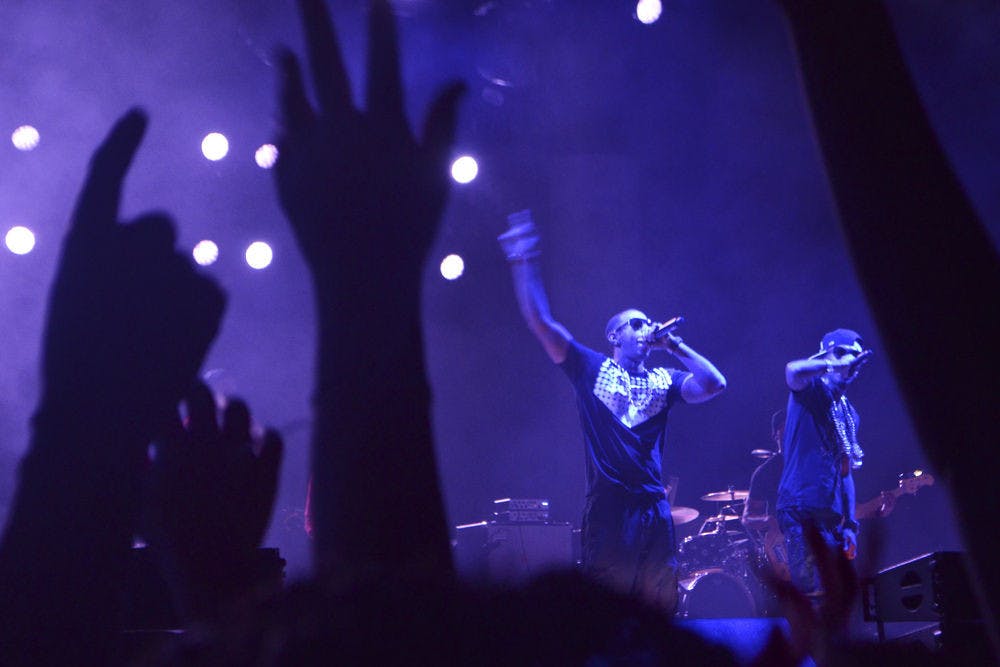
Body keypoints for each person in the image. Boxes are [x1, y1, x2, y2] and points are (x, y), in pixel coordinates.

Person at [498, 211, 726, 612]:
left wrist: (672, 345)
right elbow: (541, 322)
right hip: (611, 507)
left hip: (654, 506)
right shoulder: (592, 368)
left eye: (646, 325)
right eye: (634, 325)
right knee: (611, 606)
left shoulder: (664, 379)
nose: (644, 330)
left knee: (660, 603)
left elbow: (713, 384)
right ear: (614, 336)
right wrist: (524, 260)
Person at [776, 328, 871, 599]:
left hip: (830, 518)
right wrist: (833, 363)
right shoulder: (811, 390)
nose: (849, 362)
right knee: (812, 597)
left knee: (837, 597)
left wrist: (851, 524)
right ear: (825, 355)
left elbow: (846, 472)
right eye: (842, 353)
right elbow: (793, 370)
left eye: (855, 357)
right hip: (800, 508)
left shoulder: (850, 413)